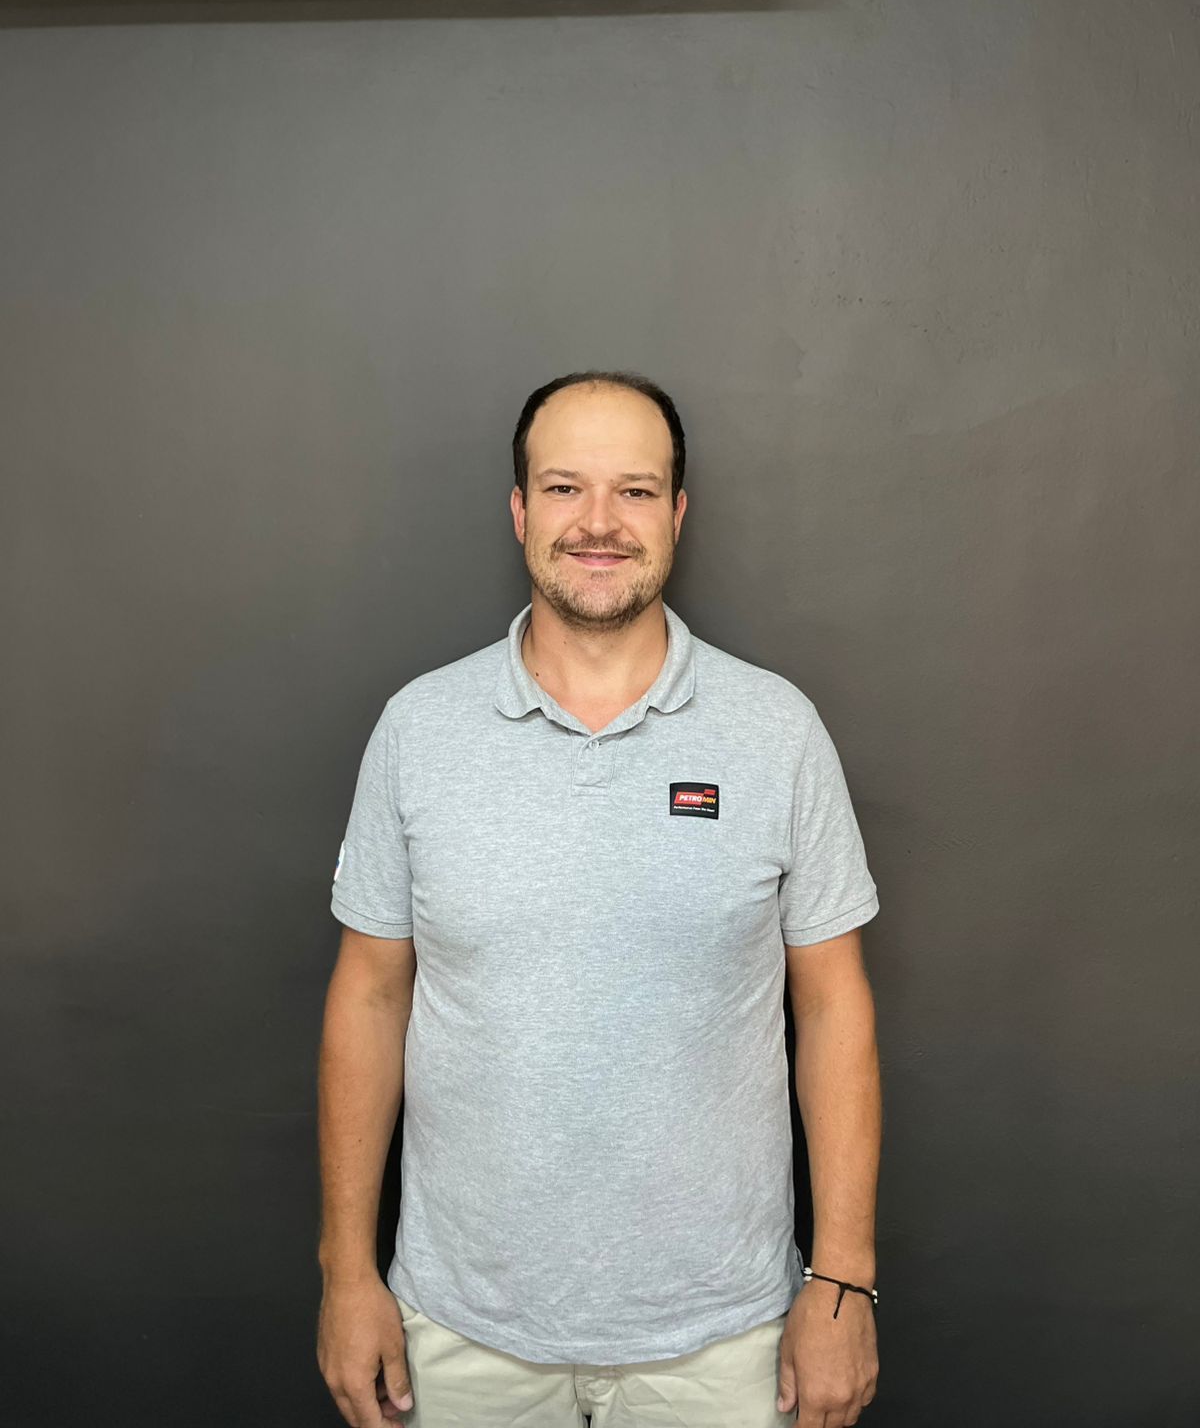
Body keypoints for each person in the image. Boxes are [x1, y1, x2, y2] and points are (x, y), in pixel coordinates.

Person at [316, 371, 882, 1428]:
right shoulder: (418, 731)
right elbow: (370, 997)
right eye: (565, 487)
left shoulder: (777, 731)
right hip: (460, 1331)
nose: (599, 523)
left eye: (634, 490)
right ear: (520, 510)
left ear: (677, 512)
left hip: (726, 1338)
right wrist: (347, 1273)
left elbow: (833, 1003)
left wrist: (843, 1280)